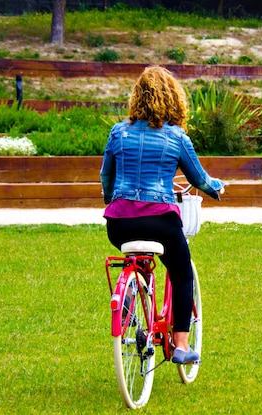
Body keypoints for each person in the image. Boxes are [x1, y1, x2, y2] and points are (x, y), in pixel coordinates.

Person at [100, 66, 225, 364]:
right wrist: (219, 188)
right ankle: (181, 345)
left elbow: (106, 176)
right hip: (161, 222)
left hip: (118, 224)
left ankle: (131, 295)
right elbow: (200, 180)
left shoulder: (118, 132)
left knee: (136, 256)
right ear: (172, 98)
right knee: (181, 273)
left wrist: (112, 200)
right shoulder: (176, 137)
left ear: (136, 99)